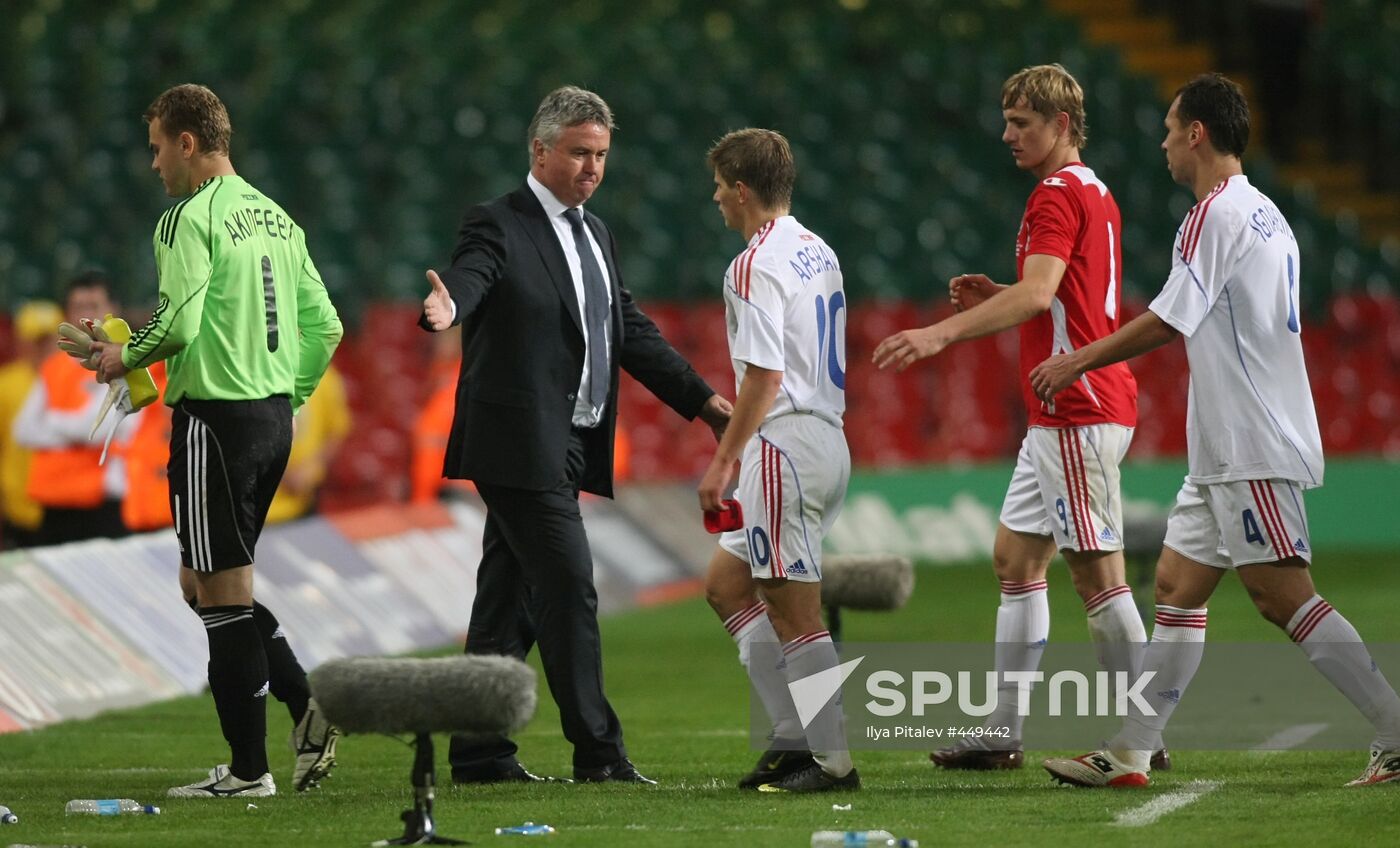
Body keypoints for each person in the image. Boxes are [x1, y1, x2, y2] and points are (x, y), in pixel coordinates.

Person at [1034, 73, 1400, 788]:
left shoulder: (1216, 214)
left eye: (1171, 130)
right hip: (1226, 446)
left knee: (1281, 595)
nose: (1165, 143)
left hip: (1250, 441)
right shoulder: (1267, 213)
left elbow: (1174, 317)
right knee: (1175, 584)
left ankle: (1394, 730)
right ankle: (1133, 749)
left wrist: (1079, 357)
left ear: (1197, 132)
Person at [419, 85, 731, 785]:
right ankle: (600, 753)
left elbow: (630, 331)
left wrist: (706, 404)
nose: (591, 167)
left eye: (601, 156)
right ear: (540, 150)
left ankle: (478, 750)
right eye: (578, 153)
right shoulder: (497, 222)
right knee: (568, 585)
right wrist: (451, 305)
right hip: (517, 441)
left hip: (568, 441)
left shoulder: (596, 234)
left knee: (508, 601)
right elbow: (472, 275)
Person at [872, 64, 1153, 770]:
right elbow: (1059, 295)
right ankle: (1002, 731)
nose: (1007, 135)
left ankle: (1143, 735)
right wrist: (1007, 291)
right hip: (1069, 408)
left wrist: (938, 334)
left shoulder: (1054, 196)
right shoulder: (1093, 189)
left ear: (1061, 125)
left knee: (1098, 575)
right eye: (1006, 120)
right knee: (1016, 559)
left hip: (1076, 407)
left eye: (1021, 122)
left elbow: (1038, 299)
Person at [87, 83, 345, 798]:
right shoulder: (278, 219)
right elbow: (326, 327)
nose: (154, 164)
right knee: (203, 583)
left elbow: (179, 324)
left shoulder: (185, 220)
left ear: (188, 143)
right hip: (269, 421)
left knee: (221, 592)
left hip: (213, 422)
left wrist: (122, 357)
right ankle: (303, 700)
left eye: (157, 147)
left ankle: (248, 772)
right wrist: (284, 395)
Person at [699, 128, 857, 793]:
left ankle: (833, 762)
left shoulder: (752, 264)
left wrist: (723, 461)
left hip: (783, 445)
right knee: (727, 587)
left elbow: (763, 376)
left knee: (795, 613)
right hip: (827, 438)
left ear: (741, 189)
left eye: (718, 187)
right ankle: (794, 739)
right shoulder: (816, 248)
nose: (715, 200)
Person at [15, 273, 135, 544]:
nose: (84, 315)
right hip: (55, 504)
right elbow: (23, 430)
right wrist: (75, 428)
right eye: (77, 307)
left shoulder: (128, 361)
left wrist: (53, 422)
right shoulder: (54, 367)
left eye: (93, 306)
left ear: (113, 311)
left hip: (104, 504)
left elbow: (99, 428)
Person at [0, 299, 62, 548]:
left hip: (63, 505)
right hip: (19, 509)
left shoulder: (72, 381)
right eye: (37, 340)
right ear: (22, 341)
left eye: (50, 339)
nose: (44, 347)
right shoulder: (7, 384)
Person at [265, 363, 351, 524]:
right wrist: (280, 473)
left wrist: (314, 466)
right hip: (256, 511)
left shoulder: (324, 374)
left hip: (303, 506)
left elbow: (336, 431)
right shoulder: (251, 374)